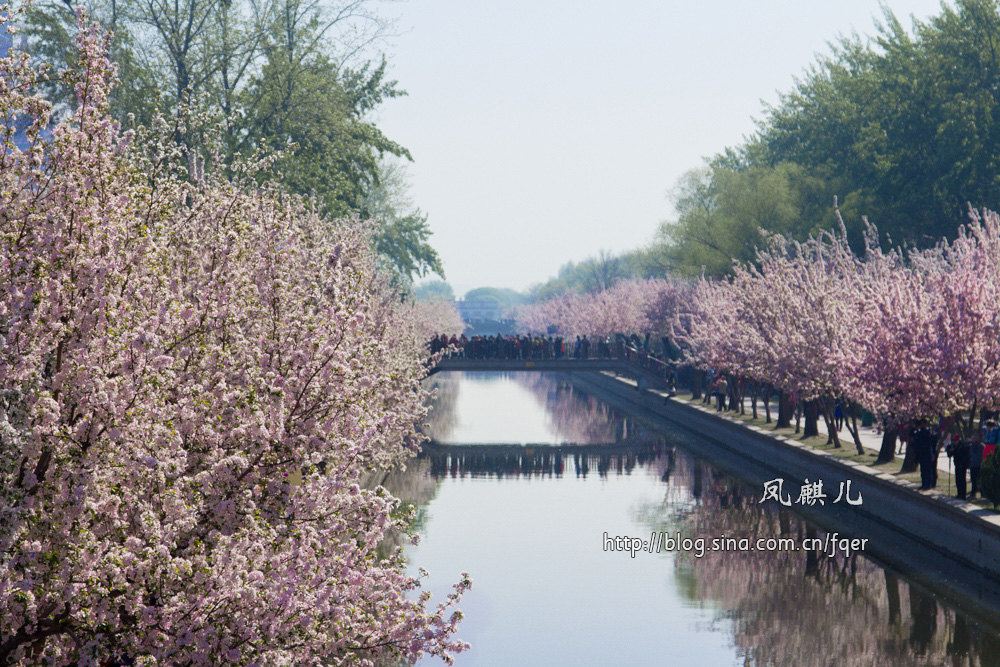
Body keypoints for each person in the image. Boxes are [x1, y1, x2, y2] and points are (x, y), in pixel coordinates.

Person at [910, 419, 938, 490]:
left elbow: (931, 443)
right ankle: (924, 484)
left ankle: (927, 485)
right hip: (921, 454)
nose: (922, 425)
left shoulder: (928, 432)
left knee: (927, 470)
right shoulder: (919, 432)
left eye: (923, 424)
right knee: (923, 470)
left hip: (927, 453)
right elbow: (912, 436)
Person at [946, 433, 971, 500]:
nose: (955, 442)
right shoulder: (953, 446)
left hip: (963, 465)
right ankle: (959, 493)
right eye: (954, 441)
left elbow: (966, 455)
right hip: (957, 464)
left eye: (956, 440)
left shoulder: (962, 446)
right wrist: (949, 450)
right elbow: (949, 455)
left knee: (962, 480)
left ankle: (963, 495)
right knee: (957, 479)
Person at [969, 430, 985, 499]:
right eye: (974, 436)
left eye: (976, 436)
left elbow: (983, 456)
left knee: (979, 480)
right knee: (973, 480)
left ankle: (982, 494)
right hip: (972, 465)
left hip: (979, 465)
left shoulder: (982, 446)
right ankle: (973, 494)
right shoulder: (971, 445)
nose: (974, 437)